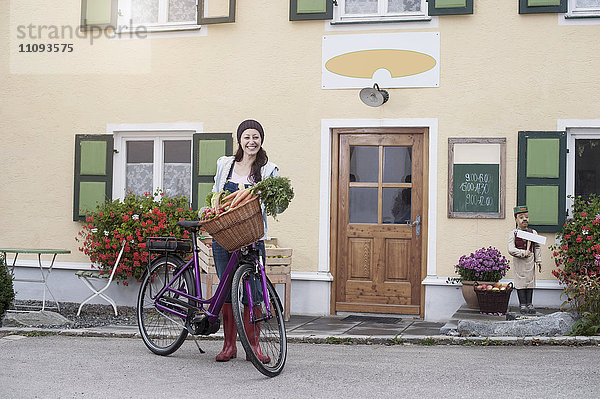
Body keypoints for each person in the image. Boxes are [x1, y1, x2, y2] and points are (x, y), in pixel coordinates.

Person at [210, 119, 278, 362]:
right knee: (227, 289)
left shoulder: (269, 170)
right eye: (247, 137)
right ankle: (229, 346)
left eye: (256, 137)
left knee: (255, 291)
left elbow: (276, 208)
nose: (252, 141)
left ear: (261, 140)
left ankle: (254, 348)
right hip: (224, 237)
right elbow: (215, 195)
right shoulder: (225, 164)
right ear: (239, 140)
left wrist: (264, 195)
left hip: (252, 238)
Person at [507, 205, 542, 315]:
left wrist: (538, 260)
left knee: (530, 281)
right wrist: (522, 253)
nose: (524, 219)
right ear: (516, 220)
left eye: (526, 217)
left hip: (530, 261)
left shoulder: (533, 233)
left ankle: (529, 303)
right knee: (521, 281)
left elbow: (537, 247)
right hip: (519, 261)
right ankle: (522, 304)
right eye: (521, 217)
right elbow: (511, 249)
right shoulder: (513, 233)